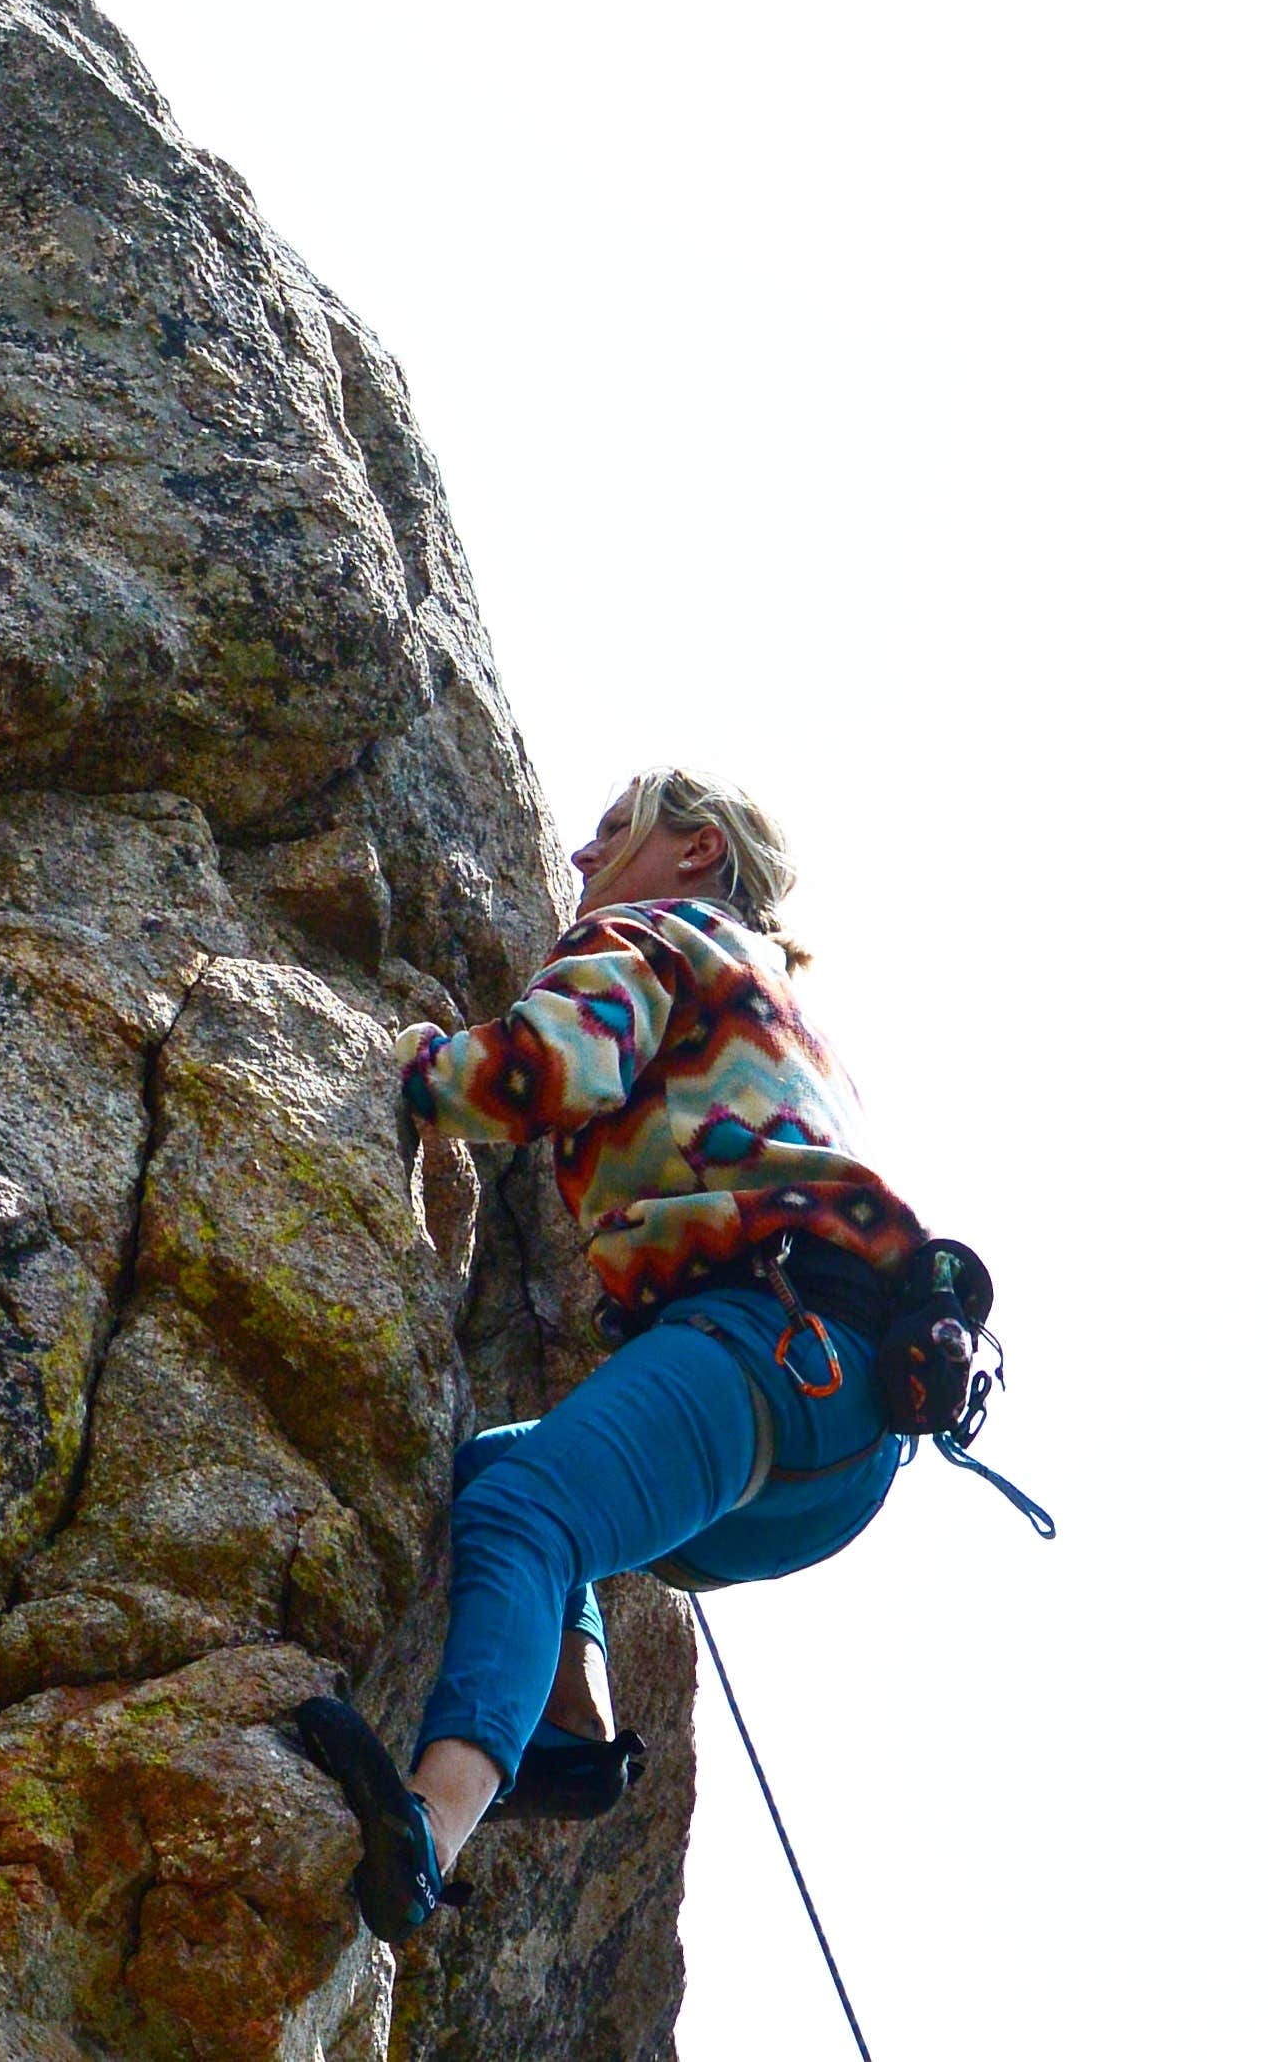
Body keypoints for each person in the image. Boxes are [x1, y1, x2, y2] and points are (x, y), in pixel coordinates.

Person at [297, 768, 928, 1939]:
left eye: (608, 835)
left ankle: (423, 1837)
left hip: (766, 1348)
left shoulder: (652, 932)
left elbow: (550, 1069)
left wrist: (406, 1064)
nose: (581, 866)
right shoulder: (783, 1013)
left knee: (528, 1509)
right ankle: (565, 1733)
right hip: (837, 1440)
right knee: (503, 1467)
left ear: (693, 849)